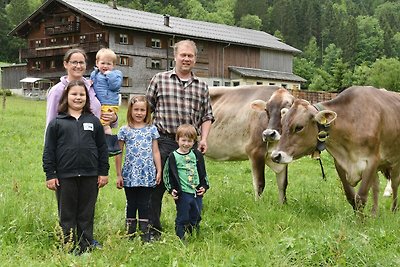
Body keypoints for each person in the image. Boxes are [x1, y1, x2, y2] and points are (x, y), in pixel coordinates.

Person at [146, 39, 214, 238]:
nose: (186, 59)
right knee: (156, 186)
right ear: (175, 56)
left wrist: (204, 139)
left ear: (195, 59)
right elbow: (145, 109)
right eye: (183, 55)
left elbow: (207, 116)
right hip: (164, 141)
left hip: (190, 145)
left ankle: (189, 227)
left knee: (191, 188)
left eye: (190, 56)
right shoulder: (159, 79)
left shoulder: (201, 86)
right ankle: (153, 230)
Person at [42, 80, 109, 254]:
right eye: (74, 94)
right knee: (67, 213)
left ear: (87, 98)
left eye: (82, 94)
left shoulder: (94, 121)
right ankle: (68, 245)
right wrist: (51, 174)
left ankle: (85, 245)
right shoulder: (57, 123)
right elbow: (49, 150)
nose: (78, 97)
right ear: (66, 97)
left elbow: (102, 149)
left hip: (90, 175)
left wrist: (103, 172)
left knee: (86, 213)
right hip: (65, 176)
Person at [46, 48, 119, 156]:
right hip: (68, 147)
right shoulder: (57, 91)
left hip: (94, 145)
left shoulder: (92, 86)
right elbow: (50, 123)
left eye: (81, 62)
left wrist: (114, 119)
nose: (78, 66)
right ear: (65, 64)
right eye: (74, 62)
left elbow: (102, 108)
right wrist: (49, 153)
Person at [115, 95, 162, 242]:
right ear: (130, 110)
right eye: (136, 109)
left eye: (142, 110)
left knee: (145, 203)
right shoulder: (124, 130)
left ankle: (145, 233)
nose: (139, 113)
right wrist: (118, 174)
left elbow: (155, 151)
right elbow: (119, 152)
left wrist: (158, 170)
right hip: (130, 173)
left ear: (147, 112)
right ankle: (130, 232)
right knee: (131, 202)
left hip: (147, 172)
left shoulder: (151, 130)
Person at [163, 124, 209, 240]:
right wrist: (171, 189)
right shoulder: (173, 156)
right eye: (183, 140)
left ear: (194, 142)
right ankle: (180, 236)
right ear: (177, 140)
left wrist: (204, 186)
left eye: (190, 141)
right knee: (183, 215)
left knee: (196, 214)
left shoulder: (196, 155)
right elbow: (167, 174)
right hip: (183, 192)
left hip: (196, 192)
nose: (186, 144)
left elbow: (203, 172)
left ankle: (194, 233)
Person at [90, 48, 123, 156]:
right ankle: (101, 144)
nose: (105, 66)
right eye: (102, 63)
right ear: (97, 63)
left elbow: (115, 86)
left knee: (105, 123)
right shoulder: (95, 74)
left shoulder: (116, 74)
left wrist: (110, 75)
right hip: (100, 103)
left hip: (109, 103)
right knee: (99, 124)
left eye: (109, 64)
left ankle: (110, 145)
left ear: (113, 65)